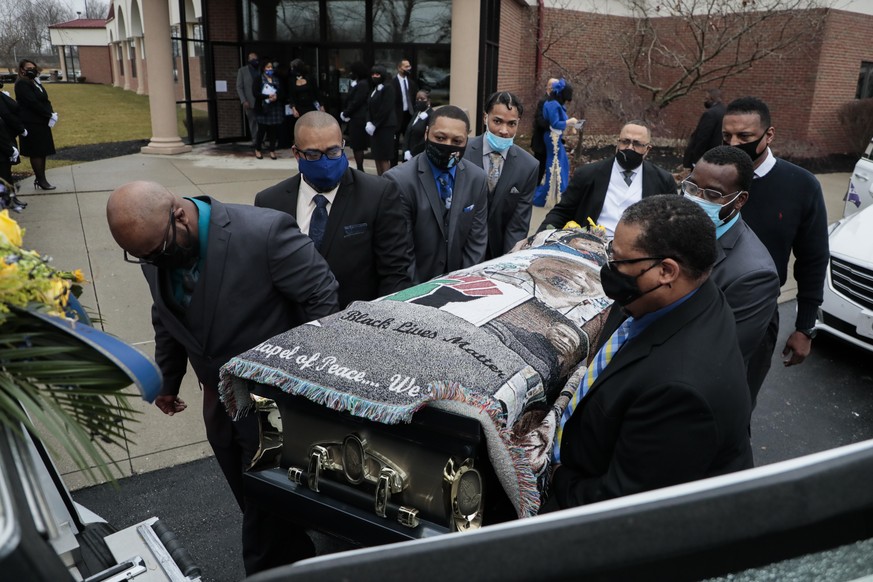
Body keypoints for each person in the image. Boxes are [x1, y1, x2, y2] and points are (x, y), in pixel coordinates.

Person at [105, 181, 339, 574]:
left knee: (263, 532)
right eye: (140, 256)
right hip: (221, 410)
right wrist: (169, 379)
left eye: (156, 251)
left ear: (179, 214)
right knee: (256, 505)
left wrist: (305, 381)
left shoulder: (264, 232)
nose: (151, 261)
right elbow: (166, 316)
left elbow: (324, 299)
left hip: (276, 410)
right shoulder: (156, 250)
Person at [544, 194, 753, 510]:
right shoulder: (684, 293)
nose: (609, 269)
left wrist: (556, 476)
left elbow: (621, 504)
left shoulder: (680, 393)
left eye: (619, 262)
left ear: (667, 271)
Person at [255, 111, 412, 307]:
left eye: (333, 152)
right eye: (313, 154)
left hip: (355, 323)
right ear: (296, 154)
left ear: (343, 147)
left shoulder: (378, 194)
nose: (325, 162)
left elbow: (395, 273)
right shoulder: (269, 202)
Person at [721, 96, 828, 379]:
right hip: (699, 302)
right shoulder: (713, 175)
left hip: (757, 312)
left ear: (769, 135)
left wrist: (805, 326)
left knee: (739, 399)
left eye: (744, 136)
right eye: (726, 136)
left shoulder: (802, 186)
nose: (733, 144)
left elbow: (813, 259)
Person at [681, 145, 780, 402]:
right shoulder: (678, 224)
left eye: (713, 195)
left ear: (740, 200)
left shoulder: (754, 275)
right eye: (692, 188)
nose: (697, 199)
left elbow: (717, 357)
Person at [384, 105, 487, 283]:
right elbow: (401, 253)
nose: (447, 146)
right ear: (426, 134)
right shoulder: (398, 181)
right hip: (414, 288)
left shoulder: (477, 179)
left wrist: (464, 286)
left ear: (466, 142)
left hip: (460, 287)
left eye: (457, 141)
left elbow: (476, 243)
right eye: (440, 137)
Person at [537, 121, 677, 237]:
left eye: (637, 144)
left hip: (639, 256)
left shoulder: (663, 181)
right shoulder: (587, 174)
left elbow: (671, 225)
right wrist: (539, 238)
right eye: (625, 142)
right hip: (590, 247)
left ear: (647, 149)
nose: (629, 148)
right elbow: (562, 212)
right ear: (617, 143)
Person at [463, 91, 539, 259]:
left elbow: (518, 224)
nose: (504, 130)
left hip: (497, 253)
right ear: (485, 118)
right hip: (460, 250)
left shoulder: (528, 166)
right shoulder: (463, 152)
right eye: (497, 121)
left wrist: (507, 262)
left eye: (511, 124)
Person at [533, 79, 578, 207]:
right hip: (552, 138)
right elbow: (555, 123)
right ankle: (549, 195)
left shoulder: (556, 104)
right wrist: (569, 122)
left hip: (555, 137)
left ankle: (557, 193)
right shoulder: (553, 104)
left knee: (561, 164)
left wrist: (570, 125)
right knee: (554, 165)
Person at [14, 60, 57, 190]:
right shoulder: (22, 83)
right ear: (22, 70)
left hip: (41, 122)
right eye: (28, 68)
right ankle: (40, 180)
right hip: (31, 123)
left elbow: (44, 99)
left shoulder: (34, 82)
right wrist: (48, 114)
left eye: (33, 67)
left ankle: (41, 178)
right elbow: (32, 103)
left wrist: (51, 112)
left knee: (42, 151)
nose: (31, 70)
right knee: (36, 152)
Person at [366, 65, 398, 176]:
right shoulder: (374, 89)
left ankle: (386, 181)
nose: (374, 76)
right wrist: (368, 122)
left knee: (384, 156)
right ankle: (379, 179)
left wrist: (375, 124)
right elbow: (369, 107)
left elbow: (386, 108)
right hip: (375, 128)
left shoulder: (388, 88)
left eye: (377, 74)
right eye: (373, 74)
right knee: (377, 155)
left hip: (385, 127)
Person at [682, 88, 726, 169]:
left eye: (706, 98)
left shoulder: (710, 114)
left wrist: (695, 161)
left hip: (705, 159)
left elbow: (702, 138)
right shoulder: (725, 111)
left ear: (711, 99)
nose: (703, 101)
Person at [339, 61, 370, 172]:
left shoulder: (363, 84)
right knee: (356, 146)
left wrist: (346, 113)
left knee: (358, 146)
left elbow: (357, 101)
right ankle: (359, 168)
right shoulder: (357, 83)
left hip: (358, 119)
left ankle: (360, 169)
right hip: (355, 118)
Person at [0, 85, 27, 211]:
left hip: (6, 138)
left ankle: (11, 199)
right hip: (3, 142)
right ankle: (8, 202)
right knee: (4, 174)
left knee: (6, 173)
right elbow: (6, 115)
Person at [531, 78, 558, 185]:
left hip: (550, 141)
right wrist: (554, 126)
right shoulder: (544, 101)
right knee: (540, 167)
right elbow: (539, 120)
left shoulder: (554, 101)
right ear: (550, 87)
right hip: (541, 142)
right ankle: (533, 189)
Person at [253, 61, 282, 160]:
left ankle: (272, 150)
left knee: (273, 131)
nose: (270, 69)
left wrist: (276, 96)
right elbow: (255, 93)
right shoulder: (259, 79)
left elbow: (281, 91)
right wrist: (267, 96)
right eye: (268, 67)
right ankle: (258, 149)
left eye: (271, 67)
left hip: (274, 107)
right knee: (262, 130)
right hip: (263, 107)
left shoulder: (276, 79)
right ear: (263, 68)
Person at [392, 58, 418, 166]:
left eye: (409, 66)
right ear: (399, 68)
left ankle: (406, 165)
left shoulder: (412, 83)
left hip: (409, 115)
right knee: (394, 144)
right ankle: (393, 166)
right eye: (406, 66)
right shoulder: (392, 83)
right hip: (397, 116)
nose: (409, 68)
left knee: (408, 142)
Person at [236, 52, 260, 147]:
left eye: (256, 59)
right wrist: (243, 100)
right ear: (249, 60)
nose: (255, 61)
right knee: (252, 121)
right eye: (252, 59)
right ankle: (255, 140)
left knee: (262, 121)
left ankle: (261, 139)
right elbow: (239, 87)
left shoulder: (260, 70)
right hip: (249, 101)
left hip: (260, 101)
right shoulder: (242, 71)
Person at [403, 90, 432, 162]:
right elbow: (408, 132)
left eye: (422, 99)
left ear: (428, 101)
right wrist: (406, 150)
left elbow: (426, 137)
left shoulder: (431, 115)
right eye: (417, 99)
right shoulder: (416, 114)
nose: (419, 101)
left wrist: (413, 153)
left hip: (419, 155)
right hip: (408, 154)